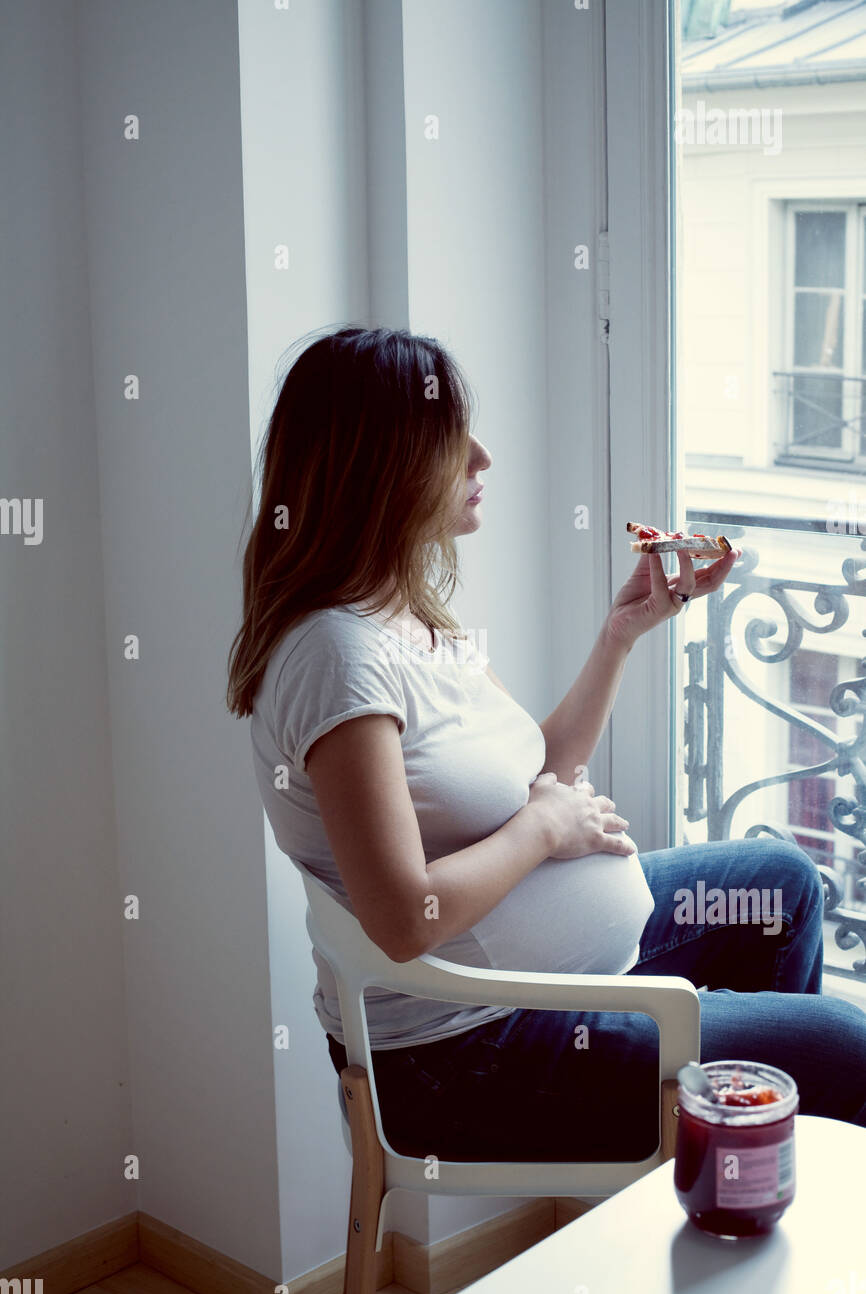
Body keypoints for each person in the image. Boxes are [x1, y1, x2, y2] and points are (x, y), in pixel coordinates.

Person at [227, 324, 866, 1162]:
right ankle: (731, 1188)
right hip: (461, 1053)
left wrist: (621, 635)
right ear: (384, 464)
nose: (483, 457)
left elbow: (546, 772)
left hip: (544, 988)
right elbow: (402, 919)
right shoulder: (336, 658)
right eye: (454, 437)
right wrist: (545, 830)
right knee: (848, 1049)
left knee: (779, 887)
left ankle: (727, 1175)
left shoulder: (407, 616)